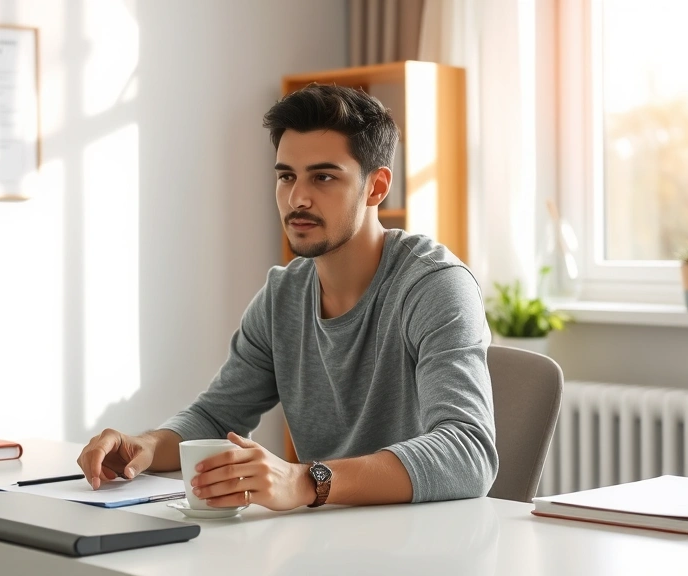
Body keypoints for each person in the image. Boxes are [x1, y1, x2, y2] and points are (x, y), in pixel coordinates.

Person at [77, 83, 497, 511]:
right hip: (327, 540)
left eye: (324, 177)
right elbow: (216, 418)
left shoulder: (434, 285)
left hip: (428, 545)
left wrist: (305, 480)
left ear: (376, 187)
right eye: (286, 177)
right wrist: (143, 445)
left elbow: (468, 452)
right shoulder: (284, 295)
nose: (297, 198)